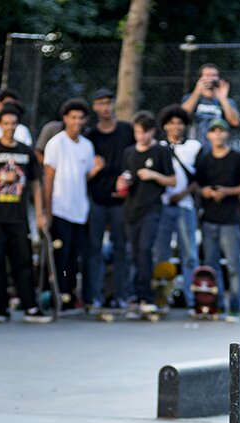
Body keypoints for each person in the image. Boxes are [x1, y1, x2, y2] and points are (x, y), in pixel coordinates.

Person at [0, 105, 52, 324]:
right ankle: (0, 308)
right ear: (0, 125)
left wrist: (40, 213)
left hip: (19, 216)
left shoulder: (26, 152)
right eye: (6, 123)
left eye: (13, 124)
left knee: (23, 261)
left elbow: (35, 183)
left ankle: (30, 307)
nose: (10, 128)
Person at [194, 118, 240, 322]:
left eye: (221, 131)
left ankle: (235, 306)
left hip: (230, 220)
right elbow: (197, 185)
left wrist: (227, 191)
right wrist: (206, 192)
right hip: (209, 219)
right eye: (213, 131)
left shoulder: (237, 158)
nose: (217, 135)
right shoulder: (204, 159)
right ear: (208, 135)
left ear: (227, 134)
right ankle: (214, 306)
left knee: (234, 265)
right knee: (211, 266)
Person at [43, 99, 97, 311]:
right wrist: (47, 211)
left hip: (79, 211)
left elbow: (83, 177)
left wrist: (95, 172)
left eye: (80, 118)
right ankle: (58, 295)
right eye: (73, 117)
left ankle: (70, 295)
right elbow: (48, 178)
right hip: (60, 209)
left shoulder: (87, 146)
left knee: (74, 257)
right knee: (60, 257)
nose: (77, 122)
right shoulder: (56, 143)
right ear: (65, 118)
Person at [120, 111, 175, 311]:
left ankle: (147, 297)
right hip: (130, 208)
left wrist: (153, 175)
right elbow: (124, 178)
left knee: (144, 250)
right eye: (137, 132)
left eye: (144, 132)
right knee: (133, 253)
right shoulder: (128, 153)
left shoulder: (161, 152)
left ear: (152, 131)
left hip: (151, 208)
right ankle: (133, 294)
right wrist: (121, 183)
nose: (141, 137)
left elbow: (172, 180)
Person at [85, 88, 134, 308]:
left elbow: (136, 158)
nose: (105, 107)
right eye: (100, 103)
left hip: (121, 201)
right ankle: (94, 296)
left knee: (121, 249)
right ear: (94, 107)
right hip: (96, 200)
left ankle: (120, 296)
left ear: (113, 104)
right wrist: (94, 171)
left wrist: (127, 179)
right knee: (93, 249)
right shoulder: (90, 137)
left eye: (108, 102)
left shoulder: (127, 131)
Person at [155, 104, 202, 306]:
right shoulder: (158, 147)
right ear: (165, 126)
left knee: (189, 254)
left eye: (180, 123)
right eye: (172, 123)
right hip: (163, 205)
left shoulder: (194, 147)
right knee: (161, 254)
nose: (176, 127)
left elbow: (200, 176)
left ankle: (193, 300)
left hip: (185, 205)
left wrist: (183, 193)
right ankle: (161, 298)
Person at [181, 63, 240, 147]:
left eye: (214, 75)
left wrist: (223, 99)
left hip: (220, 148)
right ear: (200, 79)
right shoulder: (191, 98)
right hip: (195, 147)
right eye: (207, 75)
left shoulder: (227, 101)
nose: (210, 79)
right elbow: (181, 116)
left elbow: (235, 122)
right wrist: (197, 92)